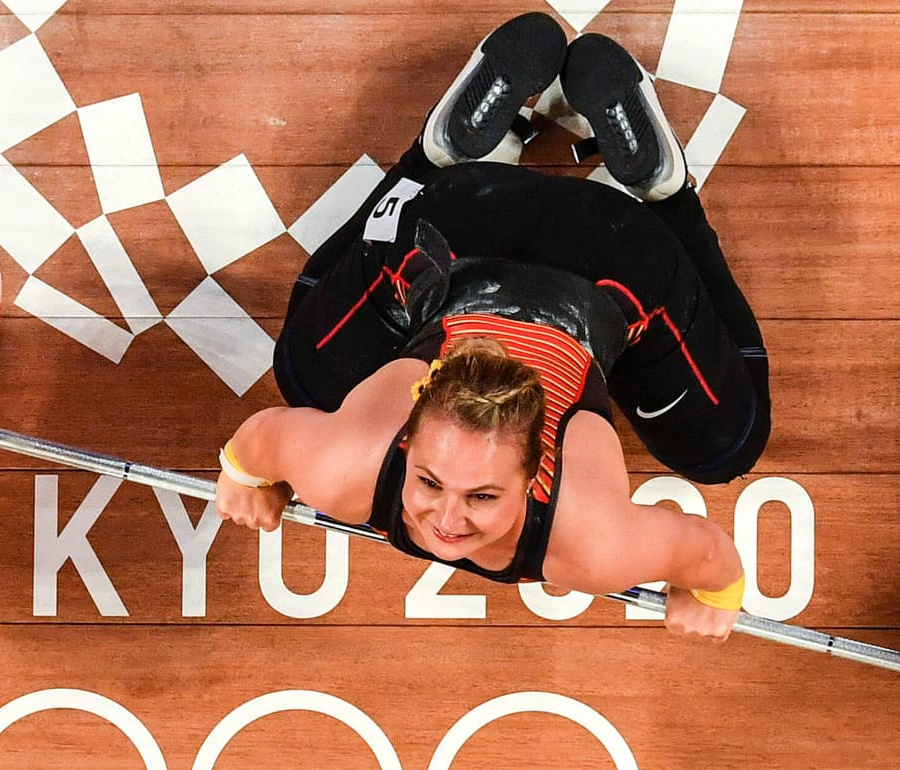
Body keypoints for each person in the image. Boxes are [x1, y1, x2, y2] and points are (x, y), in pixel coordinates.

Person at [214, 13, 770, 640]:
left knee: (733, 446)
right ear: (404, 441)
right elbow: (258, 440)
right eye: (430, 480)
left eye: (481, 495)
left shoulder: (593, 544)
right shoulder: (343, 465)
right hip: (501, 223)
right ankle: (451, 160)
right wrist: (241, 473)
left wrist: (716, 590)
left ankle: (651, 194)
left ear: (539, 471)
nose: (445, 519)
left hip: (577, 243)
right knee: (300, 372)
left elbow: (710, 557)